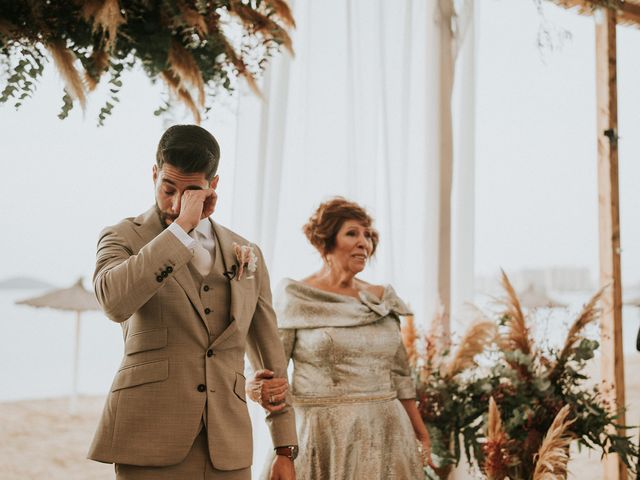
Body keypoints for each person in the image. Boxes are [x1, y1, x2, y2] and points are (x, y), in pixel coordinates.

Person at [87, 125, 297, 480]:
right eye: (168, 188)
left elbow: (270, 356)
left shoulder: (247, 252)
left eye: (191, 191)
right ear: (154, 174)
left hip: (227, 446)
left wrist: (284, 447)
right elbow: (114, 302)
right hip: (148, 437)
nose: (175, 202)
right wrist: (180, 228)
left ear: (213, 187)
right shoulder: (122, 236)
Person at [247, 197, 431, 479]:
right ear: (326, 242)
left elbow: (400, 377)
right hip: (321, 436)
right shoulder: (297, 296)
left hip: (389, 433)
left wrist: (420, 432)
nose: (364, 243)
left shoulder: (381, 299)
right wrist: (258, 391)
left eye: (368, 235)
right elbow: (273, 372)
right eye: (352, 233)